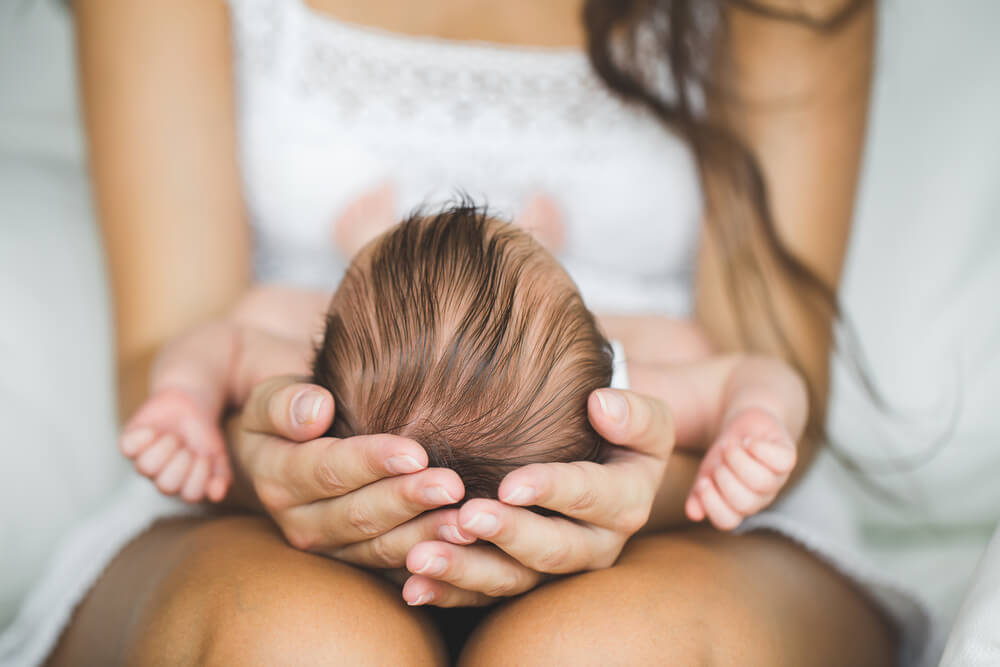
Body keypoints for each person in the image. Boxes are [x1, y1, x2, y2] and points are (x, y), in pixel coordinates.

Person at [33, 0, 908, 664]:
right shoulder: (639, 363)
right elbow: (750, 386)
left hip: (674, 517)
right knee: (298, 640)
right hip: (261, 507)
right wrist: (237, 449)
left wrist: (684, 477)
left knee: (597, 649)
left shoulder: (638, 378)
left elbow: (770, 377)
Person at [123, 206, 804, 527]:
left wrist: (185, 396)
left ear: (318, 347)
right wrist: (755, 421)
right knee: (686, 343)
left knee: (262, 303)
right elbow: (752, 371)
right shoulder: (616, 397)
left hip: (383, 325)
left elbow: (224, 342)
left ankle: (362, 240)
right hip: (597, 340)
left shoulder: (315, 392)